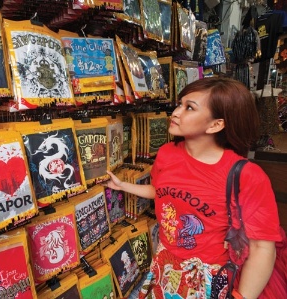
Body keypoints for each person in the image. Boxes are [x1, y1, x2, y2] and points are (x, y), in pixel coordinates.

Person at [104, 77, 282, 299]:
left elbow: (262, 249)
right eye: (179, 104)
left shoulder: (246, 176)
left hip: (208, 277)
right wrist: (123, 186)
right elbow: (160, 191)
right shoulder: (167, 153)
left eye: (189, 107)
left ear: (216, 124)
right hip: (165, 264)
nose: (176, 112)